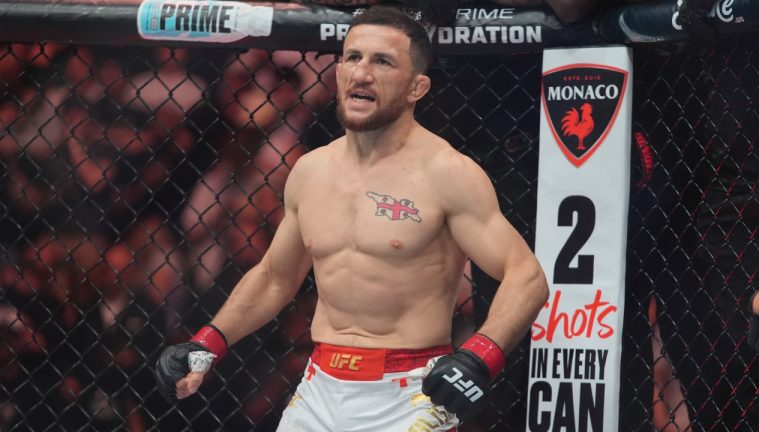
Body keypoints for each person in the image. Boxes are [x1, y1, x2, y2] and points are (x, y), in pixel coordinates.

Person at [154, 7, 549, 430]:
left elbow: (526, 276)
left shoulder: (447, 173)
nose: (362, 73)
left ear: (417, 87)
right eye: (353, 57)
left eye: (382, 61)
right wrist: (207, 343)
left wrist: (478, 357)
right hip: (319, 383)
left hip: (410, 391)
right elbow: (274, 277)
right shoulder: (311, 171)